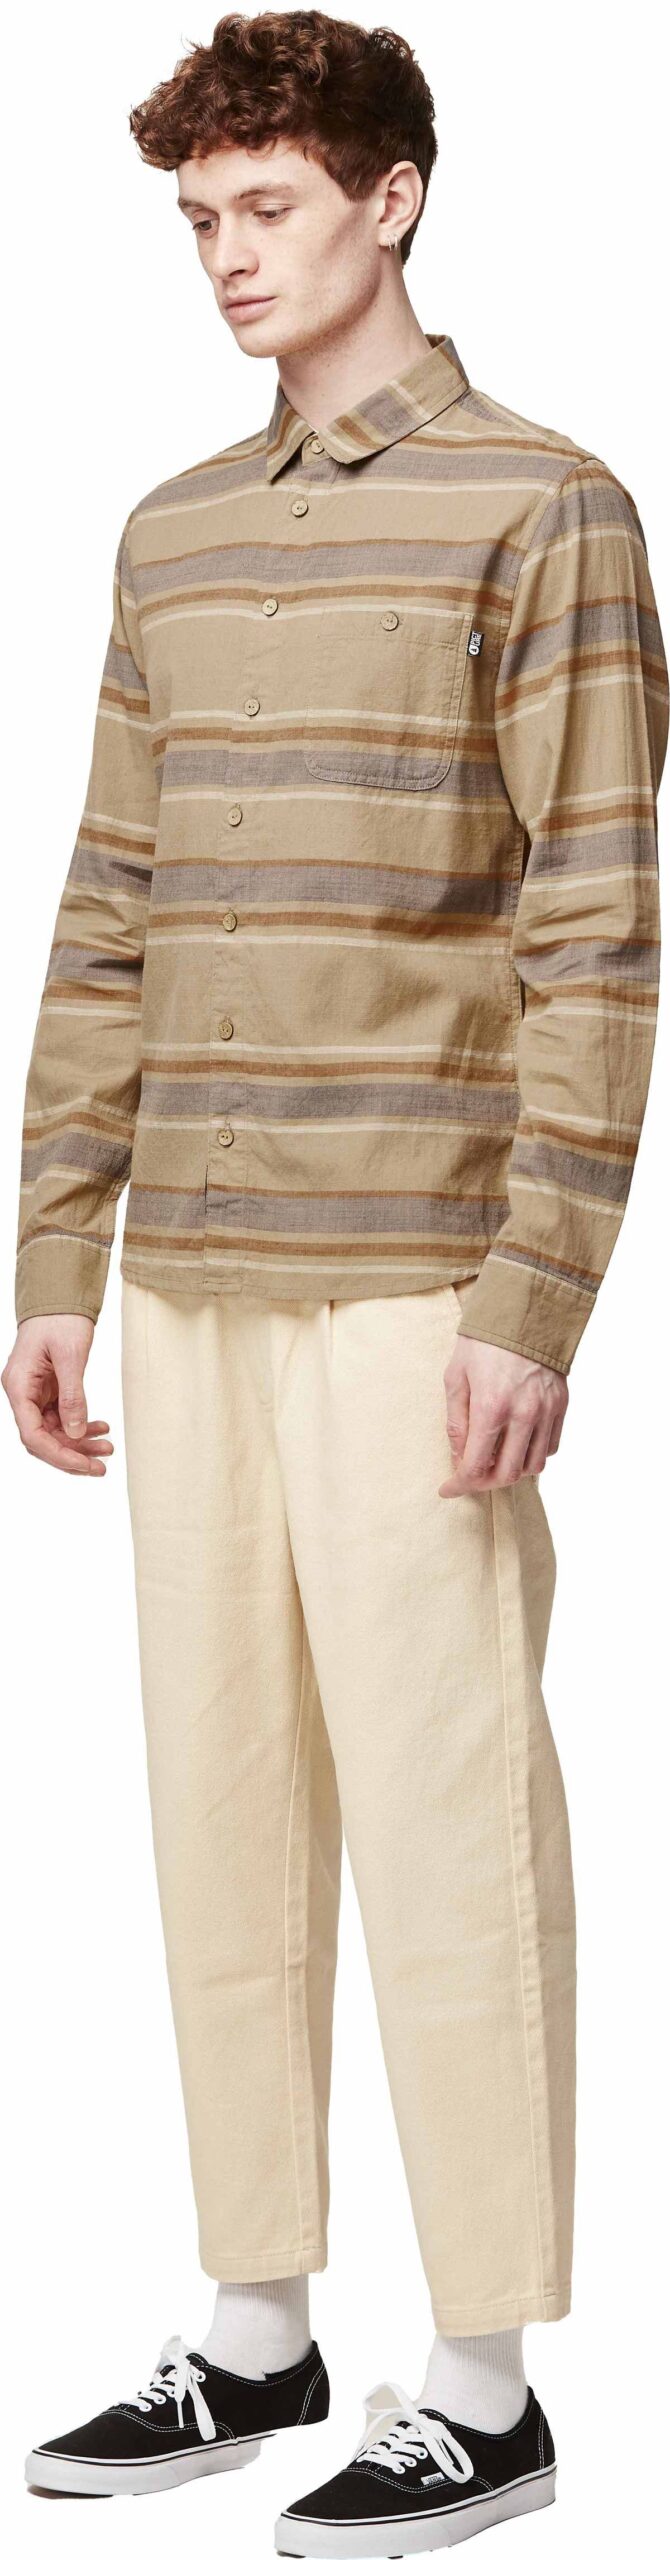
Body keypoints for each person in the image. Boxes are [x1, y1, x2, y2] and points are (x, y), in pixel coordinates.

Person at [4, 8, 667, 2549]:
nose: (222, 257)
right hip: (189, 1255)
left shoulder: (548, 506)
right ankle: (254, 2323)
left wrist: (534, 1294)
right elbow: (107, 902)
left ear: (391, 199)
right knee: (220, 1802)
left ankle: (482, 2377)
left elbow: (596, 924)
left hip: (413, 1268)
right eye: (196, 219)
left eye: (263, 208)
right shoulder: (168, 532)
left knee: (444, 1796)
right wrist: (57, 1239)